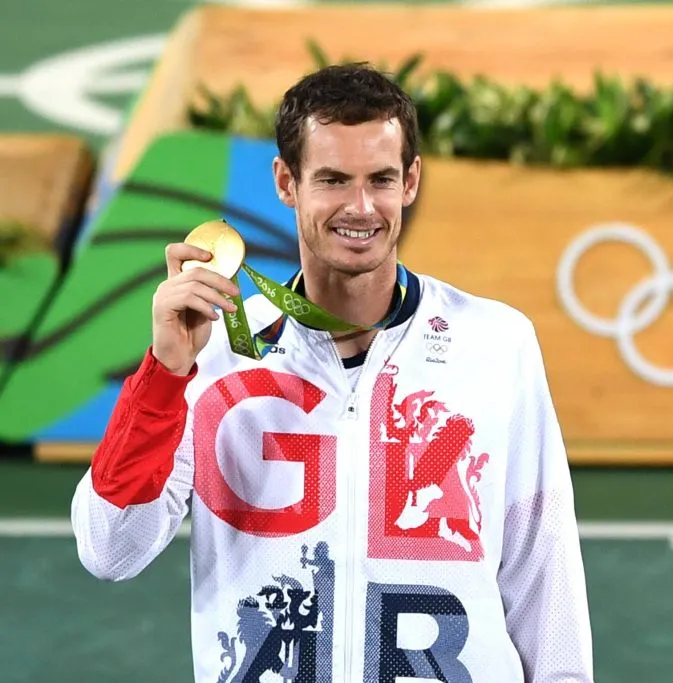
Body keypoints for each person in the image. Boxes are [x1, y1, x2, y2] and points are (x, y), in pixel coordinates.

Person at [70, 62, 595, 683]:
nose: (361, 207)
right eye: (333, 180)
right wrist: (163, 374)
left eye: (381, 178)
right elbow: (110, 548)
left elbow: (544, 575)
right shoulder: (217, 350)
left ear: (412, 180)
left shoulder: (495, 343)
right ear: (286, 182)